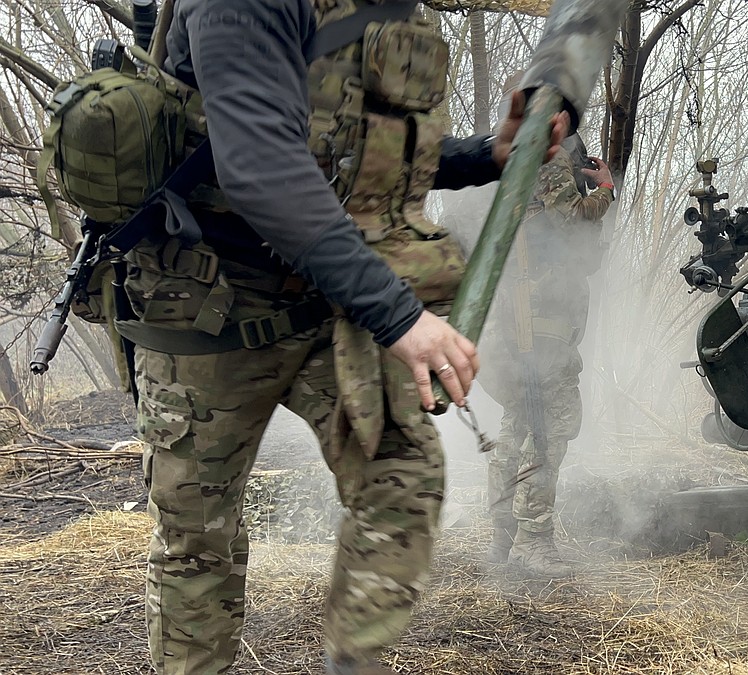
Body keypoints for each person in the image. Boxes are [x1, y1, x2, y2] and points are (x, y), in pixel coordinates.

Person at [123, 1, 567, 673]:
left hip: (326, 300)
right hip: (209, 310)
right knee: (197, 545)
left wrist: (487, 154)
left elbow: (354, 150)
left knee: (403, 476)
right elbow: (262, 165)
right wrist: (402, 317)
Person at [480, 124, 615, 578]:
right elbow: (572, 219)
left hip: (523, 318)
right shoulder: (547, 157)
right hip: (541, 324)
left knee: (517, 423)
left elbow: (582, 254)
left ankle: (503, 536)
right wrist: (606, 191)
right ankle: (532, 541)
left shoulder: (516, 163)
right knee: (549, 425)